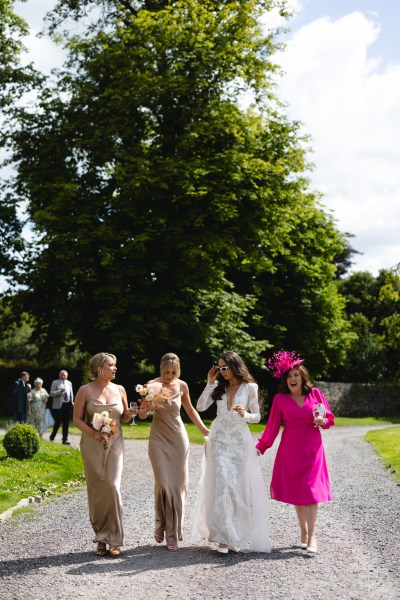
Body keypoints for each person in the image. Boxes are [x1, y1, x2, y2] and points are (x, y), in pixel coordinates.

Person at [192, 351, 272, 554]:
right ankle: (223, 539)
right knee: (223, 484)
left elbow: (257, 417)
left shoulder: (250, 387)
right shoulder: (219, 387)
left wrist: (245, 414)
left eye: (224, 368)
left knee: (237, 488)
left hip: (238, 442)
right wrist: (210, 382)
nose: (221, 372)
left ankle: (234, 535)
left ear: (235, 366)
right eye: (218, 368)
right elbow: (200, 407)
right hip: (218, 440)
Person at [255, 350, 335, 555]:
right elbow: (272, 427)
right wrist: (260, 447)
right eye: (289, 376)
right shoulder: (280, 399)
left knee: (311, 492)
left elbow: (329, 420)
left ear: (303, 377)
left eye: (296, 375)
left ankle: (312, 537)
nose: (293, 379)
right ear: (285, 379)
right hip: (290, 451)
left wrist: (322, 421)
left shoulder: (315, 394)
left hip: (313, 450)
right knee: (299, 494)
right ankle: (303, 534)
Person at [137, 352, 209, 552]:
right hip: (158, 439)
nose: (170, 376)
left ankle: (172, 533)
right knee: (163, 483)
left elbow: (191, 410)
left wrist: (204, 430)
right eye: (167, 372)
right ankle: (160, 523)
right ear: (161, 370)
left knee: (177, 486)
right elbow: (143, 415)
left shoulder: (182, 385)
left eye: (174, 372)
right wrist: (145, 407)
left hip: (178, 438)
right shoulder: (151, 386)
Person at [73, 352, 135, 557]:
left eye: (115, 365)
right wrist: (94, 433)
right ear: (100, 369)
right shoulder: (85, 390)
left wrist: (132, 414)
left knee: (112, 487)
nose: (115, 368)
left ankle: (115, 538)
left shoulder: (120, 389)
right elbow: (78, 420)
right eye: (111, 365)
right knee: (97, 490)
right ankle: (101, 537)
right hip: (92, 445)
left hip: (115, 444)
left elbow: (124, 416)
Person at [49, 370, 74, 445]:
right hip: (59, 405)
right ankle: (52, 437)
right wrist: (60, 391)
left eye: (64, 375)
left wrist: (72, 401)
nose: (63, 376)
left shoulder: (69, 383)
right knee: (58, 421)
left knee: (66, 423)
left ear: (67, 376)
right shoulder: (55, 382)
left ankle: (65, 439)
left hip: (68, 404)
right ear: (59, 375)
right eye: (61, 375)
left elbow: (71, 393)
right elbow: (51, 393)